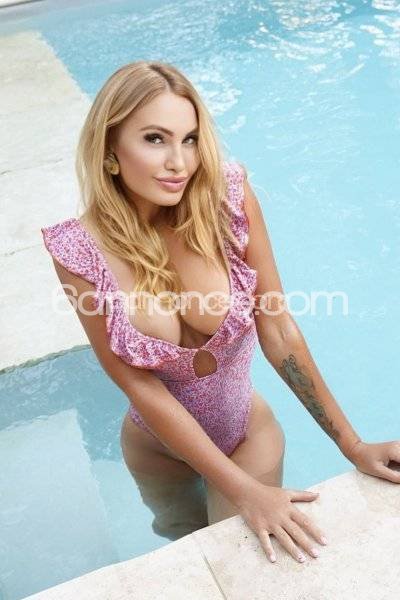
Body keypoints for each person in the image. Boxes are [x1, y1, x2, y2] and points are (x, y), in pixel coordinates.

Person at [41, 60, 400, 564]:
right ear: (110, 150)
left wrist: (353, 445)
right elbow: (138, 384)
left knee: (243, 567)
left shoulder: (227, 201)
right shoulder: (77, 250)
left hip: (246, 435)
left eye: (189, 139)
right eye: (155, 139)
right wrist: (240, 491)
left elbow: (277, 328)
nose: (179, 162)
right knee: (188, 555)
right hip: (156, 453)